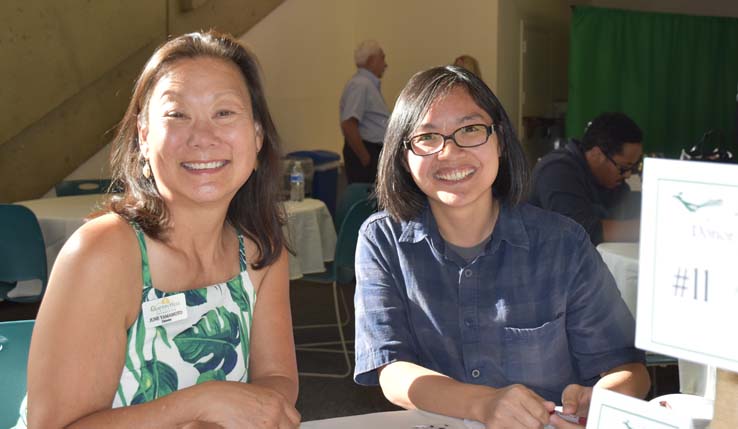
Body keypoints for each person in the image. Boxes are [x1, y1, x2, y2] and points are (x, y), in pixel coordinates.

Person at [20, 31, 300, 428]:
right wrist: (202, 403)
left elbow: (278, 379)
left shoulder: (260, 250)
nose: (202, 138)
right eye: (176, 114)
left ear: (257, 138)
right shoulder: (104, 252)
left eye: (224, 113)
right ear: (144, 136)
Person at [353, 66, 649, 428]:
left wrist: (603, 400)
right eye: (427, 137)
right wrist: (485, 403)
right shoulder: (382, 240)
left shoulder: (563, 243)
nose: (450, 152)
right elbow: (391, 370)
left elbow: (628, 367)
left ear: (501, 141)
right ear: (403, 155)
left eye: (471, 129)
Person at [529, 112, 643, 244]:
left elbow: (627, 209)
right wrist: (645, 229)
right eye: (624, 168)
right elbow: (580, 232)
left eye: (633, 168)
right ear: (596, 154)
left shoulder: (611, 180)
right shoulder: (557, 171)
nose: (628, 175)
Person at [339, 39, 389, 184]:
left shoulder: (365, 84)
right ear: (371, 60)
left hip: (370, 152)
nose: (386, 64)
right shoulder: (361, 85)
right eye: (382, 58)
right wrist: (366, 159)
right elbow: (349, 124)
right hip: (365, 153)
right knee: (366, 202)